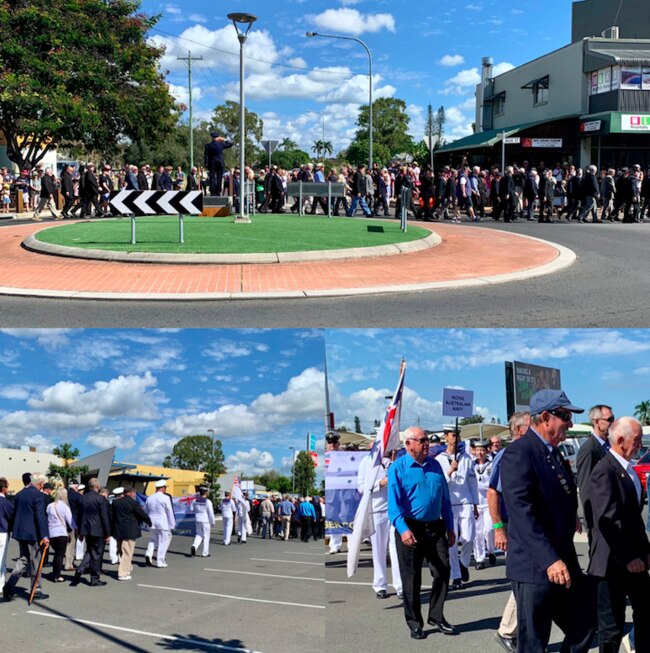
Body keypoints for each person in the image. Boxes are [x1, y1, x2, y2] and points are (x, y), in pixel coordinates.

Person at [501, 390, 596, 653]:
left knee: (585, 624)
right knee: (533, 642)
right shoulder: (519, 453)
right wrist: (549, 559)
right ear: (544, 417)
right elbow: (521, 513)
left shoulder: (553, 453)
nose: (570, 423)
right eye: (565, 416)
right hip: (535, 566)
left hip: (563, 561)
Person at [586, 416, 649, 652]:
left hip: (636, 561)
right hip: (612, 563)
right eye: (637, 440)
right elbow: (608, 519)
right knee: (611, 628)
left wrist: (644, 552)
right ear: (621, 440)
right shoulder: (604, 470)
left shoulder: (630, 471)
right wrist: (629, 556)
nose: (641, 446)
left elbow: (634, 520)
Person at [388, 426, 456, 640]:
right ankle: (414, 622)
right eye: (422, 440)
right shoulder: (397, 468)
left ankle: (436, 615)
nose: (426, 444)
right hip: (410, 528)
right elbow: (394, 505)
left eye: (427, 440)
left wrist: (451, 527)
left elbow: (445, 500)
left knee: (443, 570)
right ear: (408, 444)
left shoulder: (435, 466)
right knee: (412, 578)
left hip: (435, 526)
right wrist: (403, 530)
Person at [488, 411, 530, 653]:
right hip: (512, 526)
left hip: (527, 527)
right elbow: (493, 492)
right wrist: (498, 528)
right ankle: (507, 631)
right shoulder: (508, 455)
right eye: (530, 425)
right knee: (523, 582)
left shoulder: (531, 451)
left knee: (529, 583)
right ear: (518, 430)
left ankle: (518, 631)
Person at [435, 425, 478, 589]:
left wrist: (475, 504)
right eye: (453, 434)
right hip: (449, 504)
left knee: (469, 537)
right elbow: (439, 483)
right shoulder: (440, 459)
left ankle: (464, 563)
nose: (456, 437)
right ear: (446, 437)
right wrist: (450, 471)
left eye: (457, 434)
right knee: (451, 542)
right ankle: (456, 576)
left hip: (465, 501)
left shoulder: (466, 458)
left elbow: (472, 482)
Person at [357, 448, 403, 599]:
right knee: (378, 551)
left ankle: (400, 586)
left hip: (395, 511)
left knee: (397, 549)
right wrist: (381, 483)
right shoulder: (366, 462)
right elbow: (361, 487)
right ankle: (380, 585)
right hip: (377, 511)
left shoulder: (396, 461)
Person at [2, 472, 49, 602]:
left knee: (23, 559)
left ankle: (9, 585)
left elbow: (14, 514)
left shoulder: (19, 495)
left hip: (21, 532)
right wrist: (44, 535)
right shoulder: (38, 495)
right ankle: (36, 589)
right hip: (33, 534)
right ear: (39, 483)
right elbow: (40, 516)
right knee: (35, 561)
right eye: (42, 484)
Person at [576, 404, 614, 536]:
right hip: (598, 520)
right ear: (597, 422)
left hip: (613, 516)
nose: (612, 423)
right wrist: (593, 520)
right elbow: (585, 487)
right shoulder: (589, 450)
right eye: (609, 419)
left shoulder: (611, 446)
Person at [71, 477, 110, 587]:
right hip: (98, 530)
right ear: (97, 487)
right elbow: (104, 518)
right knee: (97, 554)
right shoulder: (100, 499)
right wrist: (107, 533)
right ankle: (94, 578)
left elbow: (78, 516)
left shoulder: (82, 498)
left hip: (86, 529)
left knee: (90, 551)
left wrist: (80, 531)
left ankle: (80, 570)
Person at [111, 485, 151, 581]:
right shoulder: (133, 503)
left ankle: (127, 567)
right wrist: (149, 522)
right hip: (129, 531)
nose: (134, 495)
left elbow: (112, 516)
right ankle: (123, 573)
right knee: (127, 552)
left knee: (122, 551)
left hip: (118, 531)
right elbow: (142, 514)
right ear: (131, 493)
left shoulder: (115, 502)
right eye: (134, 493)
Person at [472, 440, 495, 570]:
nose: (479, 453)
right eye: (477, 450)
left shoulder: (491, 465)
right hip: (476, 503)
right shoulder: (471, 465)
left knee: (489, 530)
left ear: (487, 451)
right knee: (477, 533)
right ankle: (479, 558)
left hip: (488, 503)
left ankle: (491, 551)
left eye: (482, 450)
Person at [46, 487, 75, 582]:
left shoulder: (50, 506)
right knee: (60, 554)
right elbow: (71, 521)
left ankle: (55, 573)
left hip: (51, 533)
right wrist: (76, 529)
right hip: (61, 533)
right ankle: (57, 575)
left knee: (57, 554)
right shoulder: (65, 507)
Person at [145, 479, 176, 567]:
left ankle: (148, 553)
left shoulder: (150, 497)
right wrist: (172, 524)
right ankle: (160, 561)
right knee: (163, 542)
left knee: (152, 540)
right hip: (162, 523)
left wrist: (146, 523)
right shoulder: (165, 498)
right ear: (162, 488)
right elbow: (169, 511)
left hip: (151, 522)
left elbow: (146, 511)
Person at [204, 131, 234, 196]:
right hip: (220, 162)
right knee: (219, 177)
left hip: (212, 163)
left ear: (212, 137)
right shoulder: (221, 144)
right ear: (218, 137)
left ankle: (212, 191)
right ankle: (218, 191)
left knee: (212, 177)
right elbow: (231, 143)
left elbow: (206, 155)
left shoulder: (208, 146)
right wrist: (224, 139)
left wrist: (206, 164)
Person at [190, 487, 215, 557]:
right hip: (205, 520)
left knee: (198, 535)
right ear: (206, 492)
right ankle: (205, 552)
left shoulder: (194, 501)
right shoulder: (208, 501)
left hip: (197, 519)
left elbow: (191, 509)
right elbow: (211, 513)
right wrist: (212, 521)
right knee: (206, 536)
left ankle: (194, 546)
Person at [0, 477, 14, 587]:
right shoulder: (5, 503)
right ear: (4, 488)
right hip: (2, 531)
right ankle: (0, 584)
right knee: (1, 558)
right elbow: (11, 517)